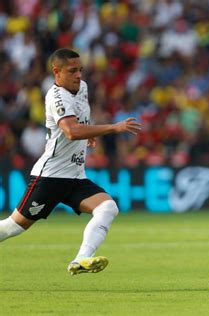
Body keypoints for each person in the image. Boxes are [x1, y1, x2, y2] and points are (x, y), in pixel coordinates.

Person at [0, 48, 142, 275]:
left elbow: (81, 121)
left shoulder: (81, 88)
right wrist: (113, 127)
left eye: (81, 70)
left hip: (75, 176)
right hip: (50, 177)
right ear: (57, 72)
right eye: (72, 71)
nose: (78, 75)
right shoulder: (56, 96)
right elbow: (71, 131)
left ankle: (81, 260)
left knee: (108, 207)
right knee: (12, 227)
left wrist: (91, 132)